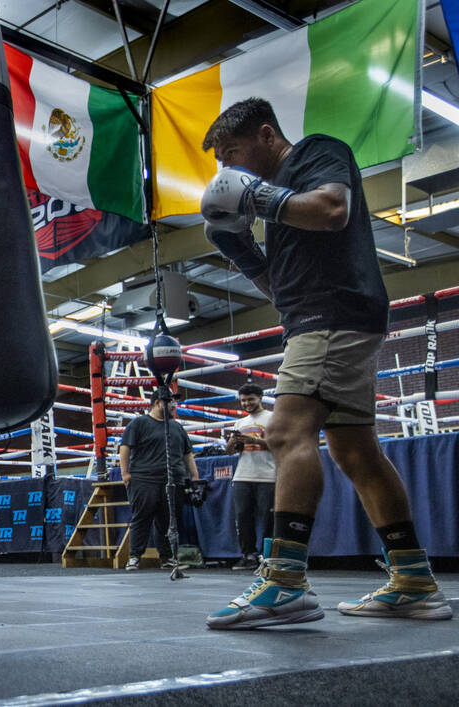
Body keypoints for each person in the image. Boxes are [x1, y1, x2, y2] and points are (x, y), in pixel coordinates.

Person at [200, 98, 451, 628]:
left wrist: (260, 199)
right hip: (317, 314)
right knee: (356, 451)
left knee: (286, 432)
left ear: (266, 135)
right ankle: (413, 581)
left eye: (232, 154)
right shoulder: (281, 201)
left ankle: (285, 581)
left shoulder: (316, 154)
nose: (228, 170)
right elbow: (280, 286)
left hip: (330, 315)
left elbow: (333, 210)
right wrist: (242, 249)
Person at [118, 389, 198, 571]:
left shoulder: (177, 427)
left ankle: (167, 558)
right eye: (170, 402)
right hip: (144, 478)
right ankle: (134, 557)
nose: (173, 405)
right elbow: (125, 447)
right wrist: (125, 474)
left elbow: (188, 454)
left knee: (169, 520)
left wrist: (195, 477)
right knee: (141, 518)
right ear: (157, 403)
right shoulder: (139, 423)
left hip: (174, 480)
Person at [226, 383, 274, 571]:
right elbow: (229, 452)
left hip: (267, 475)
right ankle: (248, 555)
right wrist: (233, 441)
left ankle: (267, 557)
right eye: (243, 400)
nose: (246, 403)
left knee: (268, 519)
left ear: (260, 398)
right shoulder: (240, 423)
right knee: (243, 517)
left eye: (250, 399)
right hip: (242, 475)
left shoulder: (273, 419)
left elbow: (280, 444)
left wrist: (254, 440)